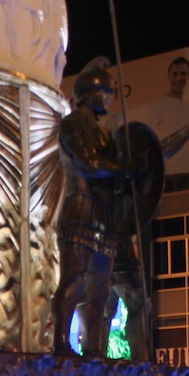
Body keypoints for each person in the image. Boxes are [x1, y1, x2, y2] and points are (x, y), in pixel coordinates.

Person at [51, 57, 134, 357]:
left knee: (100, 292)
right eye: (106, 92)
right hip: (81, 211)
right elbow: (89, 163)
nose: (111, 97)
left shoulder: (105, 133)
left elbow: (120, 169)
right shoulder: (73, 123)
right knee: (75, 281)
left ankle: (94, 351)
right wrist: (125, 168)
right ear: (88, 94)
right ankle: (61, 344)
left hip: (105, 217)